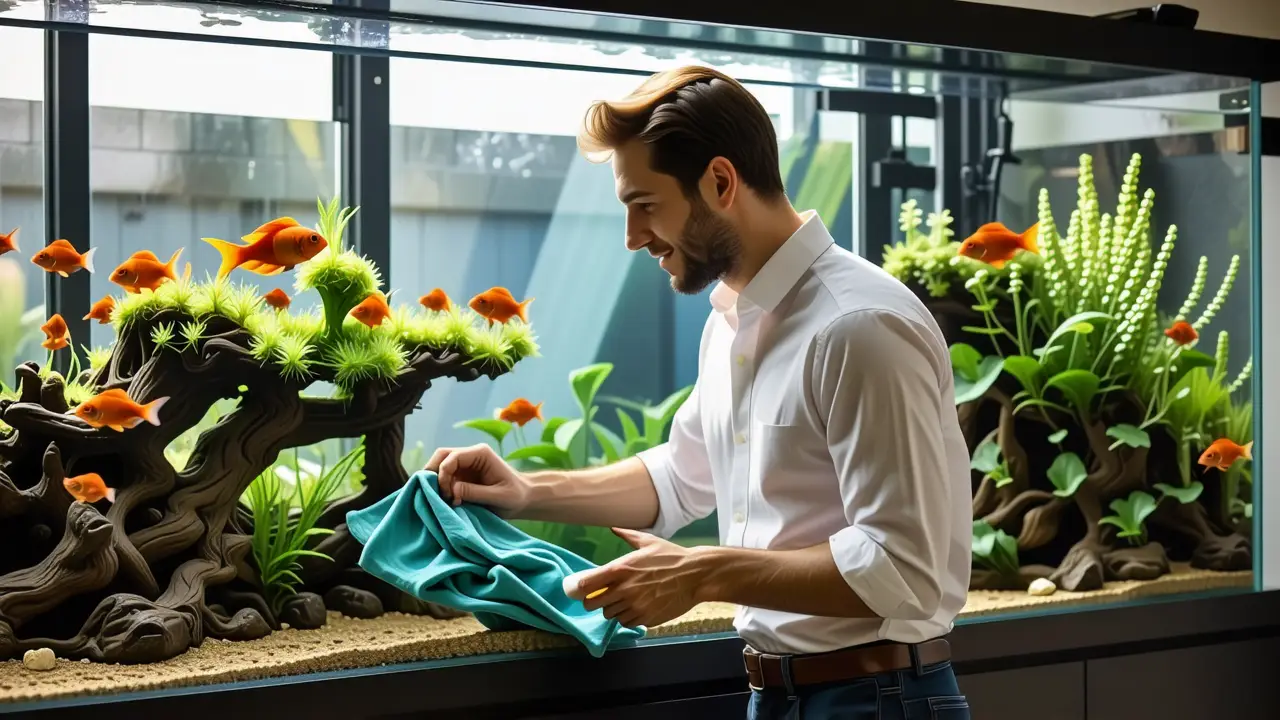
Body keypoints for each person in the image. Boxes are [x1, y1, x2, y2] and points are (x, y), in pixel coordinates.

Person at [425, 65, 973, 719]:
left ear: (719, 182)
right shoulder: (730, 321)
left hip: (880, 700)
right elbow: (680, 477)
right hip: (779, 696)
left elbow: (903, 567)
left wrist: (702, 573)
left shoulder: (859, 326)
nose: (632, 237)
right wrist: (525, 491)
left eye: (645, 205)